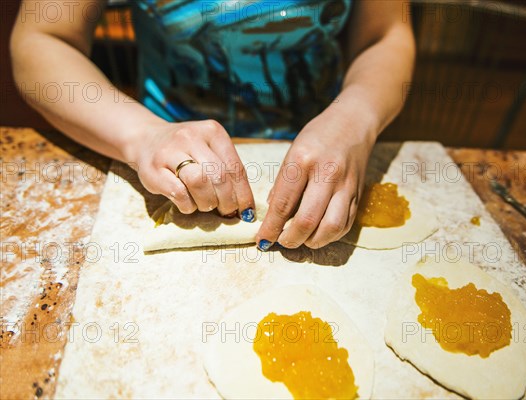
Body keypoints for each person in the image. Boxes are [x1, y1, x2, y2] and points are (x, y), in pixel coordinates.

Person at [11, 0, 415, 250]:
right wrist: (142, 135)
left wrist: (354, 119)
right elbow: (42, 39)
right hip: (169, 163)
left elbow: (386, 35)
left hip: (328, 151)